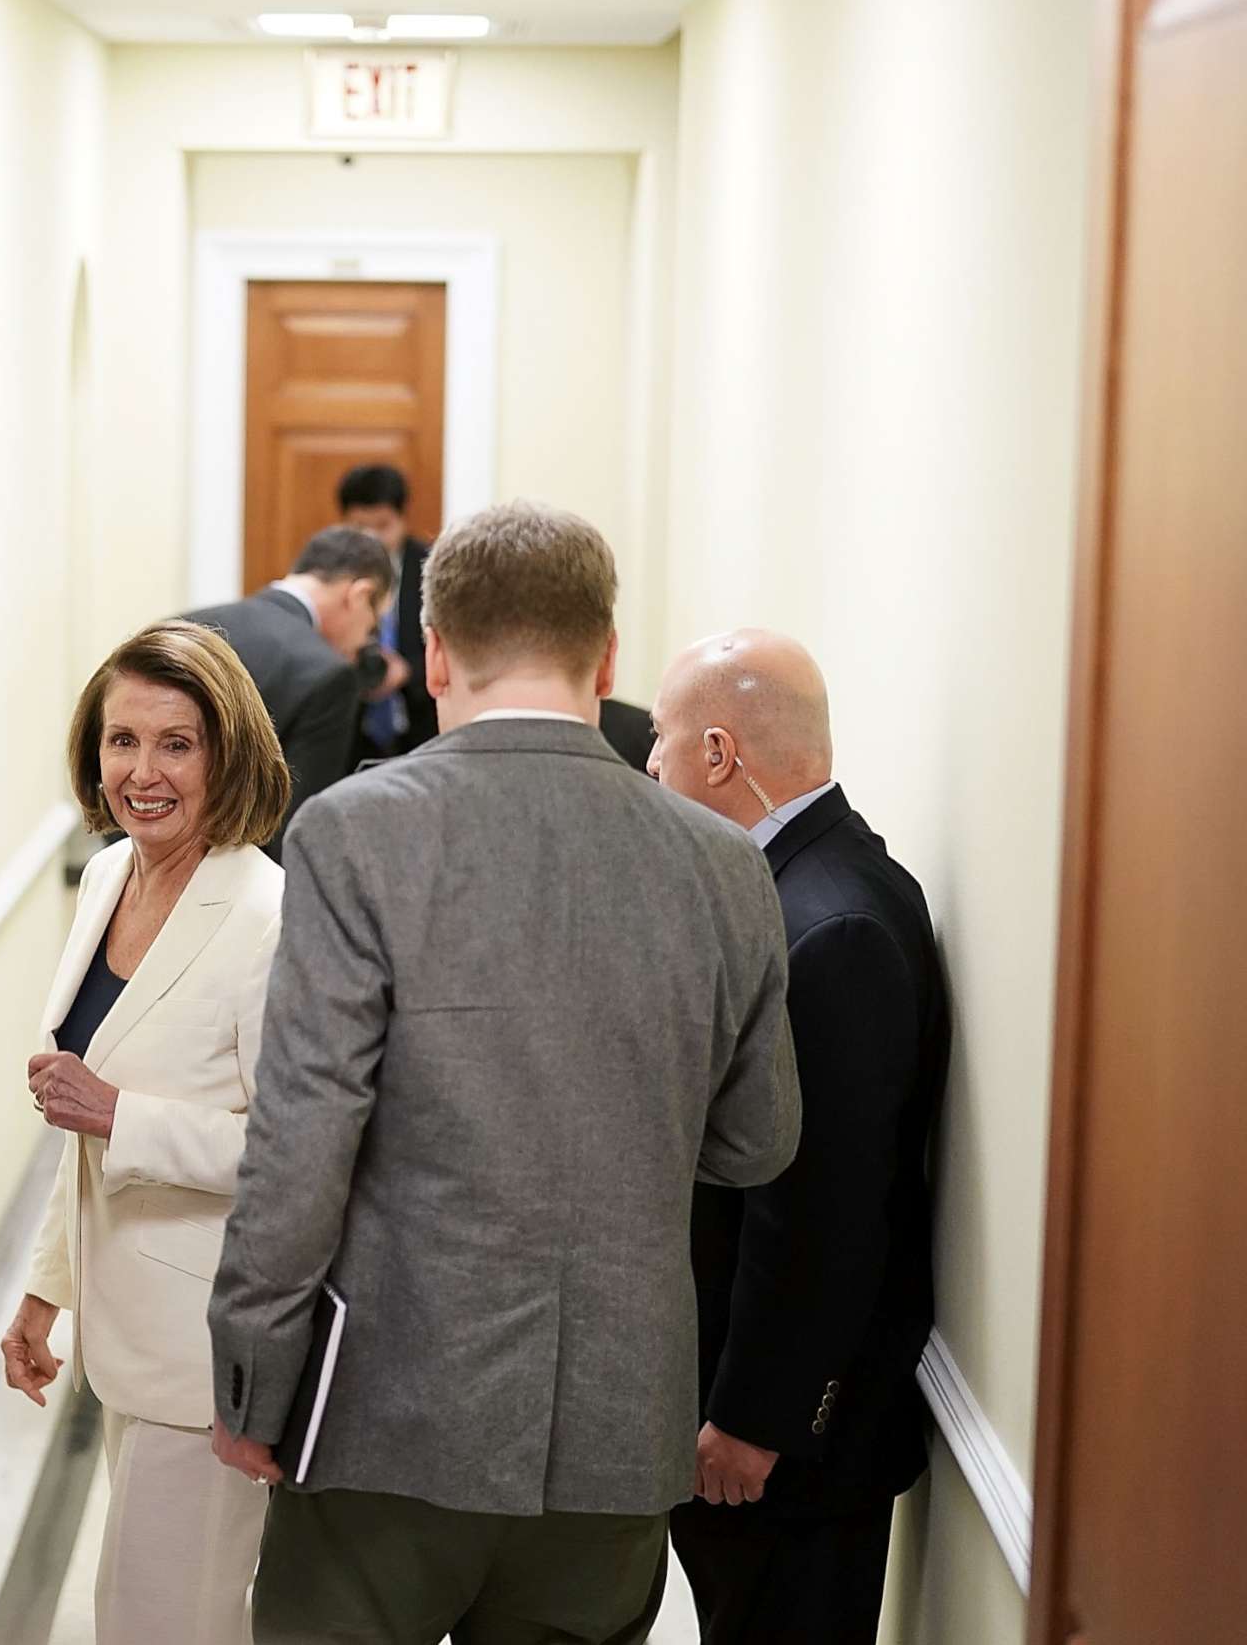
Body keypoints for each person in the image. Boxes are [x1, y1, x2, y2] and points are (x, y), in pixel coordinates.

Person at [207, 504, 803, 1645]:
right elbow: (756, 1141)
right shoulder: (728, 865)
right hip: (619, 1428)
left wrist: (251, 1379)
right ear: (608, 656)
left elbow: (301, 1138)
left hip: (389, 1413)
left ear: (433, 651)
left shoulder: (353, 833)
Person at [648, 629, 951, 1645]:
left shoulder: (831, 929)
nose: (651, 766)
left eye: (661, 739)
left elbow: (819, 1206)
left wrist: (753, 1420)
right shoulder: (805, 886)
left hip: (790, 1455)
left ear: (721, 753)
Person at [0, 620, 292, 1645]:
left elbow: (289, 1153)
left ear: (229, 752)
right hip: (123, 1343)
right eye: (122, 740)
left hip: (207, 1352)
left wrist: (122, 1113)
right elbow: (76, 1125)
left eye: (177, 742)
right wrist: (44, 1291)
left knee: (160, 1619)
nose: (143, 771)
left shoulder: (264, 913)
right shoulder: (112, 876)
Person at [184, 526, 393, 850]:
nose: (365, 642)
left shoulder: (181, 628)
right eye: (373, 625)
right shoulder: (328, 676)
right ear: (359, 595)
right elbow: (294, 833)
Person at [335, 464, 435, 761]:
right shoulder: (331, 573)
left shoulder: (432, 566)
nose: (371, 538)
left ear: (403, 519)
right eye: (359, 527)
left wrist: (407, 672)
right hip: (351, 729)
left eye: (382, 526)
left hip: (419, 726)